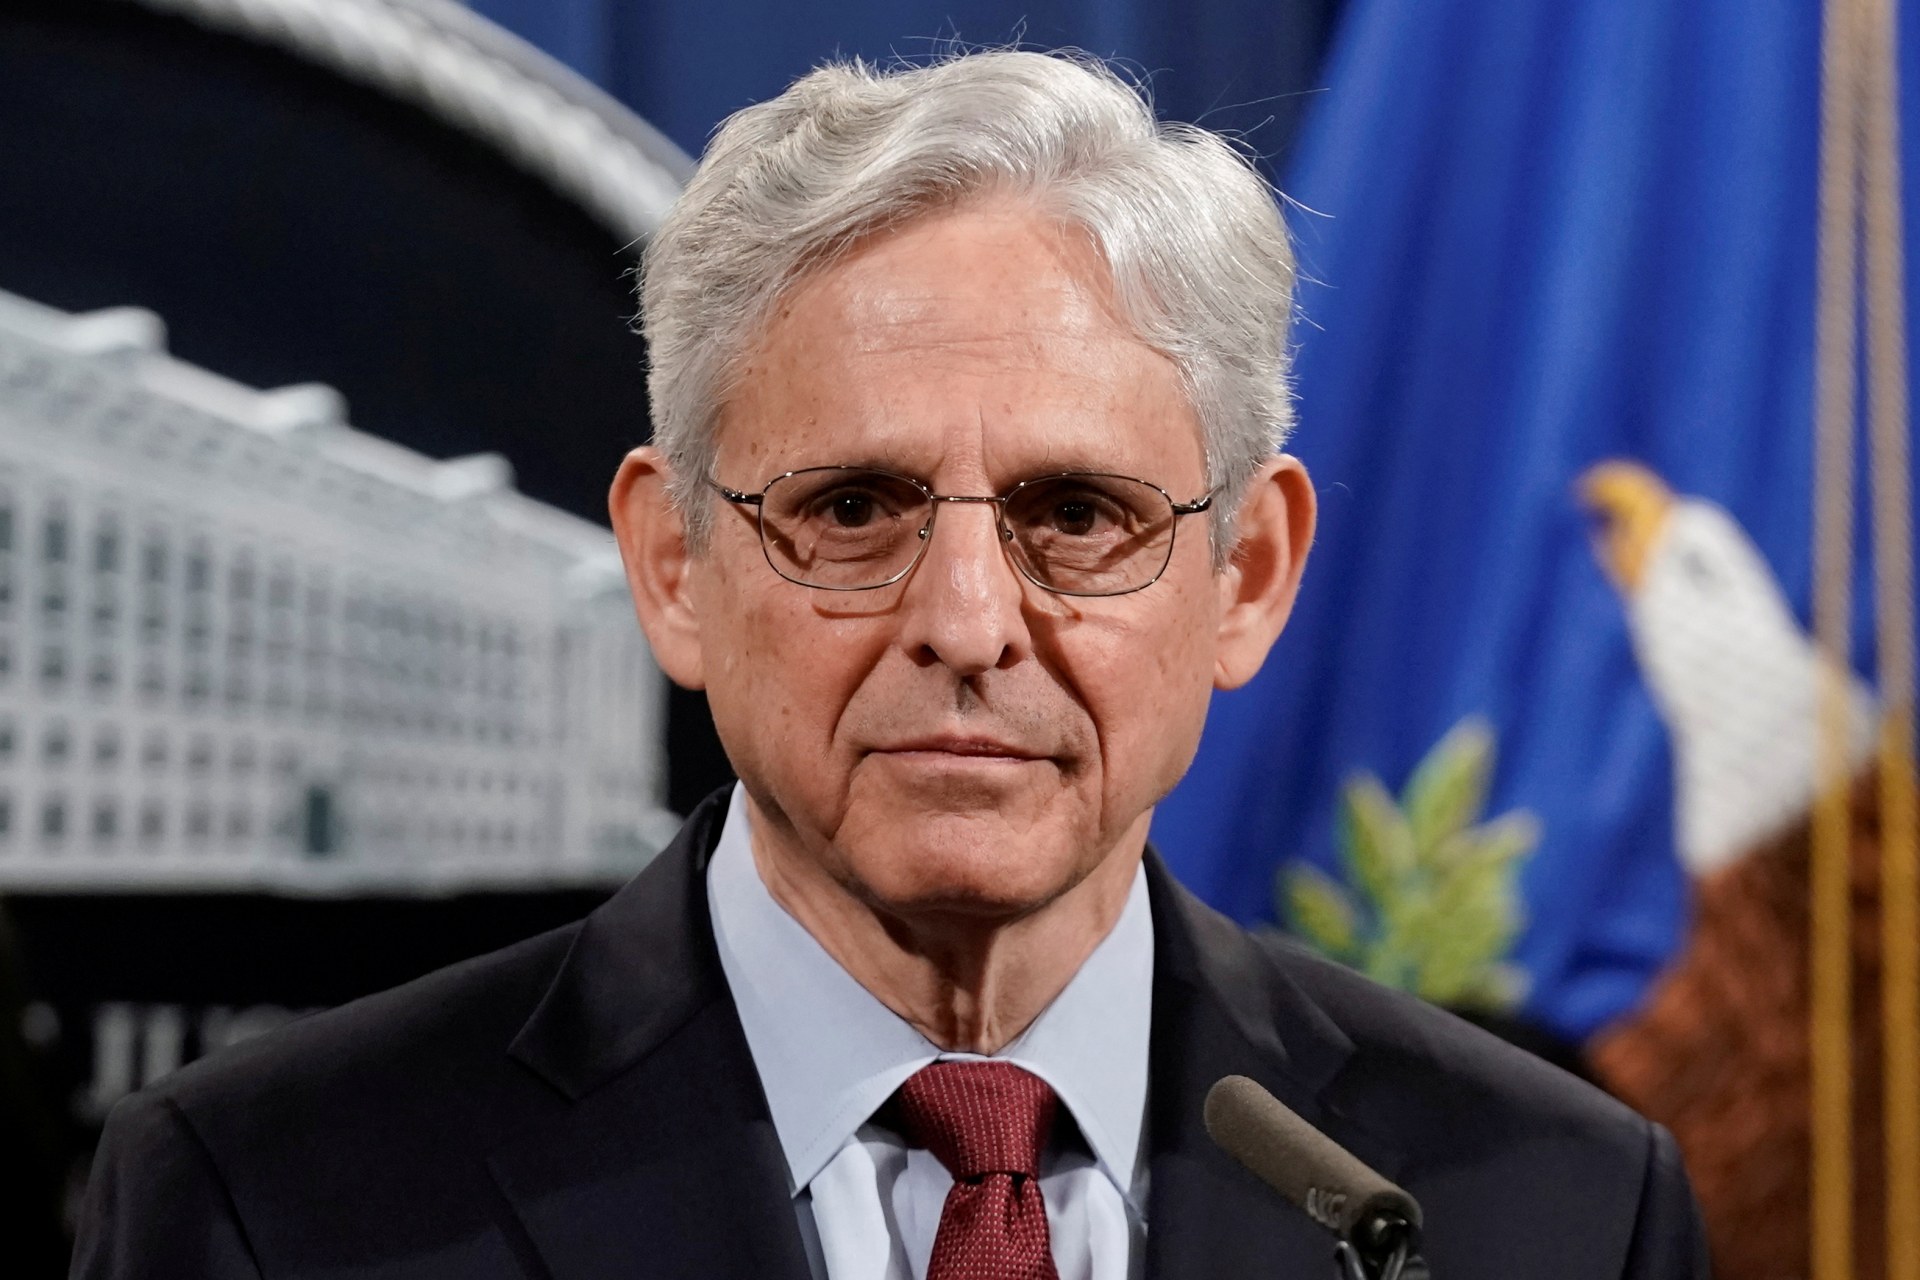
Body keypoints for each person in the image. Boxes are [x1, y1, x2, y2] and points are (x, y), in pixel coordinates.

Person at [71, 49, 1707, 1279]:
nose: (971, 621)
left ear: (1248, 576)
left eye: (1080, 512)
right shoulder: (264, 1206)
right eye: (854, 508)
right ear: (676, 566)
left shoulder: (1551, 1209)